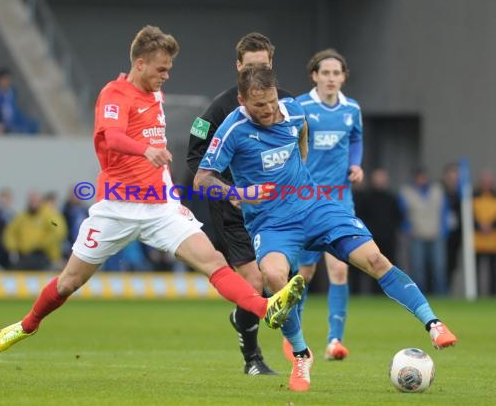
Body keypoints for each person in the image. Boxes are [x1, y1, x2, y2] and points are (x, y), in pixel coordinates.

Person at [0, 26, 304, 356]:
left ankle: (265, 308)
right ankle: (27, 325)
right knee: (69, 282)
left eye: (169, 68)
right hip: (116, 208)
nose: (167, 75)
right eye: (161, 69)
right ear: (140, 64)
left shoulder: (155, 93)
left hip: (160, 205)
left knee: (213, 260)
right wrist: (144, 151)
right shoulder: (114, 94)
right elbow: (111, 136)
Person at [194, 64, 457, 392]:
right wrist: (238, 192)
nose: (268, 110)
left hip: (314, 207)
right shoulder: (232, 128)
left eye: (272, 101)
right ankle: (302, 356)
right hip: (272, 223)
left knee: (374, 259)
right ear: (242, 100)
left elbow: (302, 131)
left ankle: (433, 323)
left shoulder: (291, 110)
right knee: (275, 277)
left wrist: (301, 166)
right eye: (259, 105)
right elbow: (202, 179)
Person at [186, 32, 293, 376]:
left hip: (278, 210)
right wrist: (233, 192)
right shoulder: (217, 109)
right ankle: (253, 361)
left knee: (282, 276)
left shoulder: (289, 104)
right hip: (235, 209)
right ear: (238, 67)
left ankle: (249, 319)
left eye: (262, 66)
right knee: (254, 282)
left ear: (271, 65)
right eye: (250, 67)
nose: (256, 73)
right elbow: (194, 156)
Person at [291, 49, 363, 361]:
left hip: (340, 198)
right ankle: (294, 336)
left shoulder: (352, 109)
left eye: (337, 73)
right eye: (326, 73)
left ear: (343, 76)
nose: (331, 78)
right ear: (315, 76)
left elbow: (356, 139)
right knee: (305, 273)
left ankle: (335, 341)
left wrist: (356, 165)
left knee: (339, 269)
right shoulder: (301, 107)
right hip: (308, 199)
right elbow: (288, 143)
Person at [399, 167, 449, 295]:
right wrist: (407, 228)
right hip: (417, 234)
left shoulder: (437, 191)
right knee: (417, 267)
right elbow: (402, 213)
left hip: (435, 233)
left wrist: (444, 230)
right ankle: (419, 295)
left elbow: (444, 212)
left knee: (439, 267)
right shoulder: (406, 192)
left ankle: (441, 295)